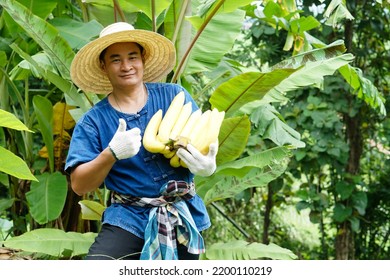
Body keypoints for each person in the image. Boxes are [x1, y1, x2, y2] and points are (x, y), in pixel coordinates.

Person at [65, 22, 218, 260]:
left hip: (181, 216)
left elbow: (201, 141)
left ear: (143, 59)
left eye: (132, 56)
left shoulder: (174, 96)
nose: (126, 66)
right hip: (128, 218)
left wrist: (208, 165)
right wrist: (111, 154)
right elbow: (79, 185)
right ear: (103, 66)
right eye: (115, 59)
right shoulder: (93, 121)